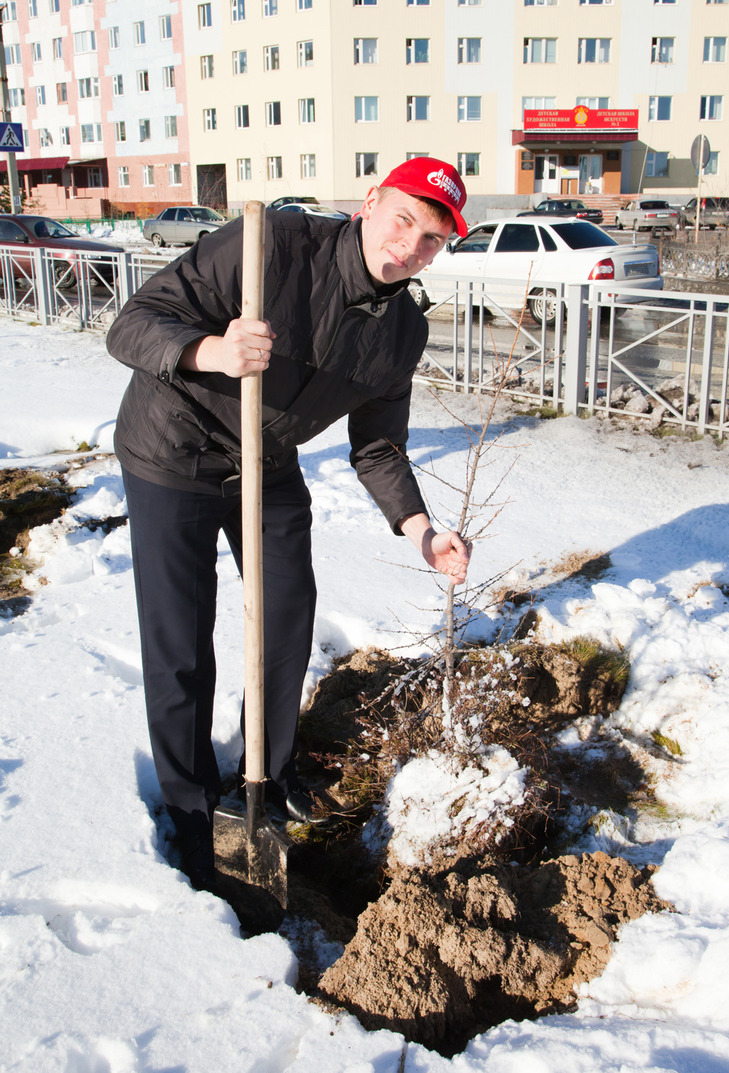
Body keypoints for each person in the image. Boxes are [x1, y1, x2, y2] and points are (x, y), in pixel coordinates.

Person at [107, 157, 471, 892]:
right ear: (369, 202)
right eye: (403, 219)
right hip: (170, 449)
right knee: (180, 639)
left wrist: (419, 528)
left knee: (282, 622)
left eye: (432, 239)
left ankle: (261, 786)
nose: (409, 246)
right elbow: (132, 324)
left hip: (265, 461)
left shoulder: (400, 330)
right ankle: (187, 807)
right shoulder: (268, 245)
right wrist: (208, 350)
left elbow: (376, 444)